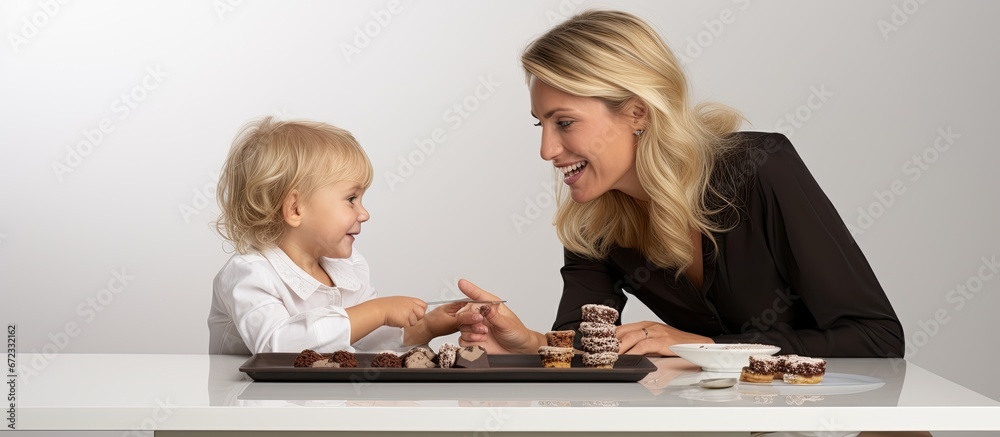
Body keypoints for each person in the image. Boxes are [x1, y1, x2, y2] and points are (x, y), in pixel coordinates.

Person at [456, 10, 904, 359]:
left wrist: (703, 350)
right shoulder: (593, 219)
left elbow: (876, 338)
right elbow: (589, 347)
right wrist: (530, 343)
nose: (547, 150)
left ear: (637, 113)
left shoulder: (759, 168)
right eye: (541, 124)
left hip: (843, 416)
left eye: (564, 122)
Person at [208, 117, 460, 354]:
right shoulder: (250, 274)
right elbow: (278, 345)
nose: (364, 213)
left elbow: (363, 342)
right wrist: (376, 311)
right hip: (247, 401)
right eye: (351, 199)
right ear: (295, 208)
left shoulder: (348, 268)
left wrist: (426, 327)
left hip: (320, 400)